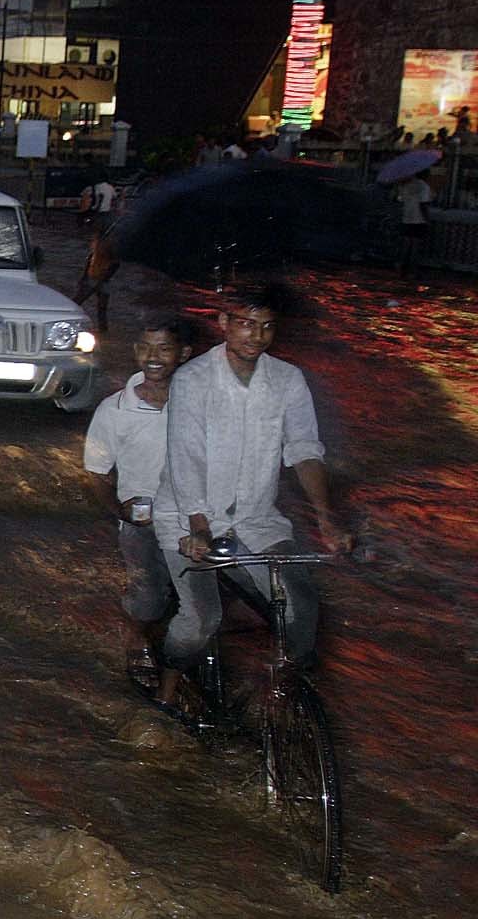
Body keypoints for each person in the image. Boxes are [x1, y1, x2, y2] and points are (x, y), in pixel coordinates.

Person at [152, 284, 347, 711]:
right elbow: (186, 458)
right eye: (244, 324)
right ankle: (166, 690)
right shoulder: (194, 379)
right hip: (187, 517)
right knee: (202, 618)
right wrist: (199, 530)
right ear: (224, 324)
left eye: (266, 327)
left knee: (301, 600)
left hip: (257, 517)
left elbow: (304, 450)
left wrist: (327, 519)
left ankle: (286, 699)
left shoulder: (287, 380)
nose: (255, 337)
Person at [83, 315, 192, 678]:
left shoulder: (201, 406)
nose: (153, 356)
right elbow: (97, 472)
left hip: (195, 518)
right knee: (148, 594)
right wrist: (120, 511)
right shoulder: (114, 411)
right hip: (142, 521)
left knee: (210, 592)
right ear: (134, 352)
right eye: (145, 347)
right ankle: (138, 638)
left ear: (184, 354)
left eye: (164, 348)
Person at [395, 171, 433, 276]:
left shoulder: (405, 185)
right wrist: (427, 220)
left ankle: (401, 267)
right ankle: (413, 270)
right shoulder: (424, 186)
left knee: (406, 245)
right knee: (415, 246)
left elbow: (400, 199)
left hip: (407, 218)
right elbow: (423, 205)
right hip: (419, 220)